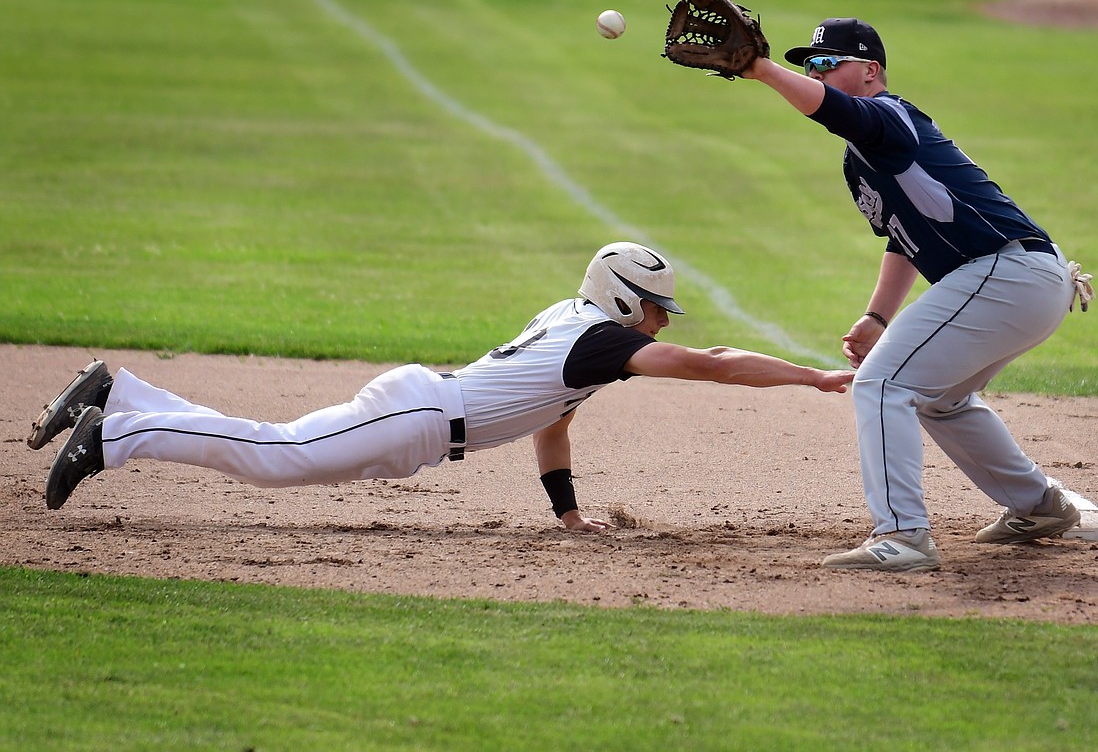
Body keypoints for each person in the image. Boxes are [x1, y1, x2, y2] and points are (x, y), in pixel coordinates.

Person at [29, 241, 855, 531]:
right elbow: (712, 362)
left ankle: (121, 390)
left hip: (422, 407)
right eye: (654, 308)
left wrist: (567, 513)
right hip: (420, 416)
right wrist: (813, 377)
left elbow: (554, 421)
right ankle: (115, 434)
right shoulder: (602, 338)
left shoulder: (581, 331)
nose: (663, 322)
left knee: (271, 442)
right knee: (274, 456)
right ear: (620, 299)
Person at [740, 18, 1094, 571]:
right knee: (939, 399)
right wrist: (877, 315)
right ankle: (1039, 505)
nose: (817, 73)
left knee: (882, 385)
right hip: (1018, 282)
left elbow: (837, 113)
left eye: (827, 63)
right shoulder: (860, 160)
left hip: (1006, 273)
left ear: (870, 71)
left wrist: (759, 69)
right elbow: (901, 243)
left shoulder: (889, 116)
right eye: (811, 65)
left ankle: (903, 537)